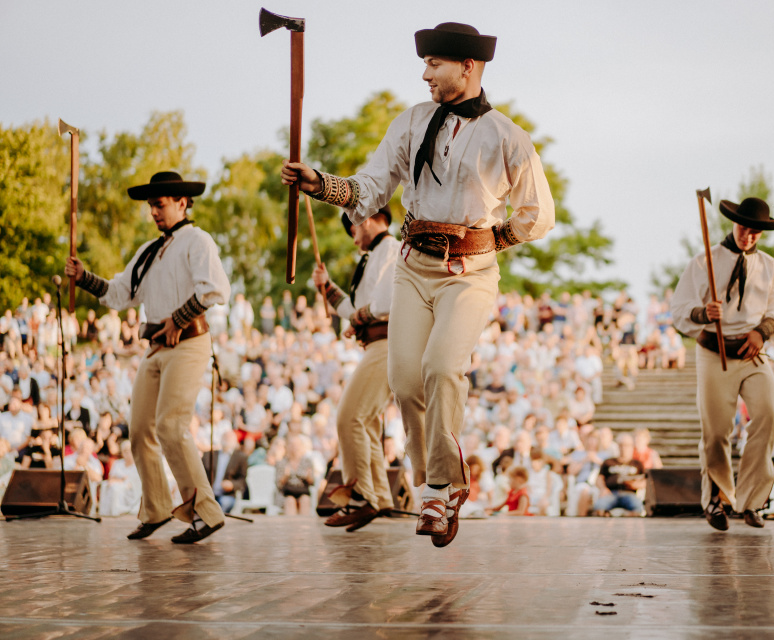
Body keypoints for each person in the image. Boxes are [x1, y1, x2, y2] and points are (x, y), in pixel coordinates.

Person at [281, 22, 554, 547]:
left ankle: (440, 489)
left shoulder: (508, 137)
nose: (424, 73)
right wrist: (320, 183)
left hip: (469, 274)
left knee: (441, 367)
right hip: (413, 265)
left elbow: (538, 215)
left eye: (434, 64)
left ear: (467, 67)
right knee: (406, 381)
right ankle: (431, 482)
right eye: (425, 63)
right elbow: (370, 186)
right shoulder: (410, 123)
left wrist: (493, 240)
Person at [66, 171, 231, 543]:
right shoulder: (148, 251)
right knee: (139, 430)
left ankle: (205, 511)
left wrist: (178, 317)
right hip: (155, 346)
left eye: (159, 204)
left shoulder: (198, 240)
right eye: (151, 206)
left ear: (182, 203)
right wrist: (83, 276)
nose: (154, 212)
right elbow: (118, 295)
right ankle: (156, 509)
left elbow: (216, 290)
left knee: (171, 426)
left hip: (189, 343)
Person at [672, 197, 774, 530]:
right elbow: (680, 308)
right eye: (744, 228)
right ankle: (718, 499)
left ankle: (752, 500)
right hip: (714, 352)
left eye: (755, 232)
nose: (748, 236)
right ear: (733, 224)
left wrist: (762, 331)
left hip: (752, 353)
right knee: (716, 431)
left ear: (762, 234)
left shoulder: (769, 266)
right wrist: (702, 312)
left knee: (767, 414)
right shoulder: (705, 260)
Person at [314, 208, 400, 532]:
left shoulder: (391, 250)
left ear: (365, 218)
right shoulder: (377, 255)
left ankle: (362, 495)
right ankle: (379, 496)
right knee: (363, 421)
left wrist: (360, 319)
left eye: (352, 229)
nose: (353, 237)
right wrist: (328, 289)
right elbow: (357, 311)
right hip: (378, 344)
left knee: (349, 416)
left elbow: (383, 304)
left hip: (388, 342)